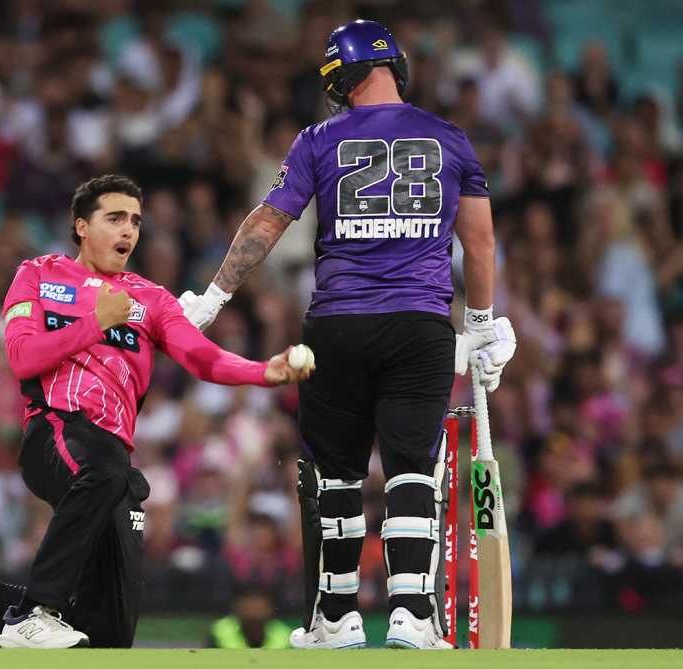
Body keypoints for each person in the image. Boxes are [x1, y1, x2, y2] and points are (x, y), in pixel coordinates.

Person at [180, 20, 516, 649]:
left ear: (339, 80)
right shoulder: (450, 139)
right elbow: (481, 241)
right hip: (421, 326)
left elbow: (268, 221)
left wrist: (215, 296)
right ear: (396, 65)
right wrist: (481, 324)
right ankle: (414, 617)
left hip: (337, 324)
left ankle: (336, 617)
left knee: (336, 472)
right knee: (412, 469)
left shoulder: (318, 139)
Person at [0, 174, 311, 650]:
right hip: (55, 429)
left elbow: (200, 356)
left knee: (108, 634)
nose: (128, 230)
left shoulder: (150, 298)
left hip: (113, 458)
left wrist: (262, 371)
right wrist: (97, 321)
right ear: (82, 226)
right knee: (105, 473)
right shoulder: (39, 274)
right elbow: (22, 357)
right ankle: (30, 613)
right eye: (114, 218)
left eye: (135, 221)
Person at [208, 583, 290, 649]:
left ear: (271, 610)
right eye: (248, 608)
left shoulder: (285, 636)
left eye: (259, 609)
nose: (253, 615)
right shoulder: (219, 632)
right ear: (236, 608)